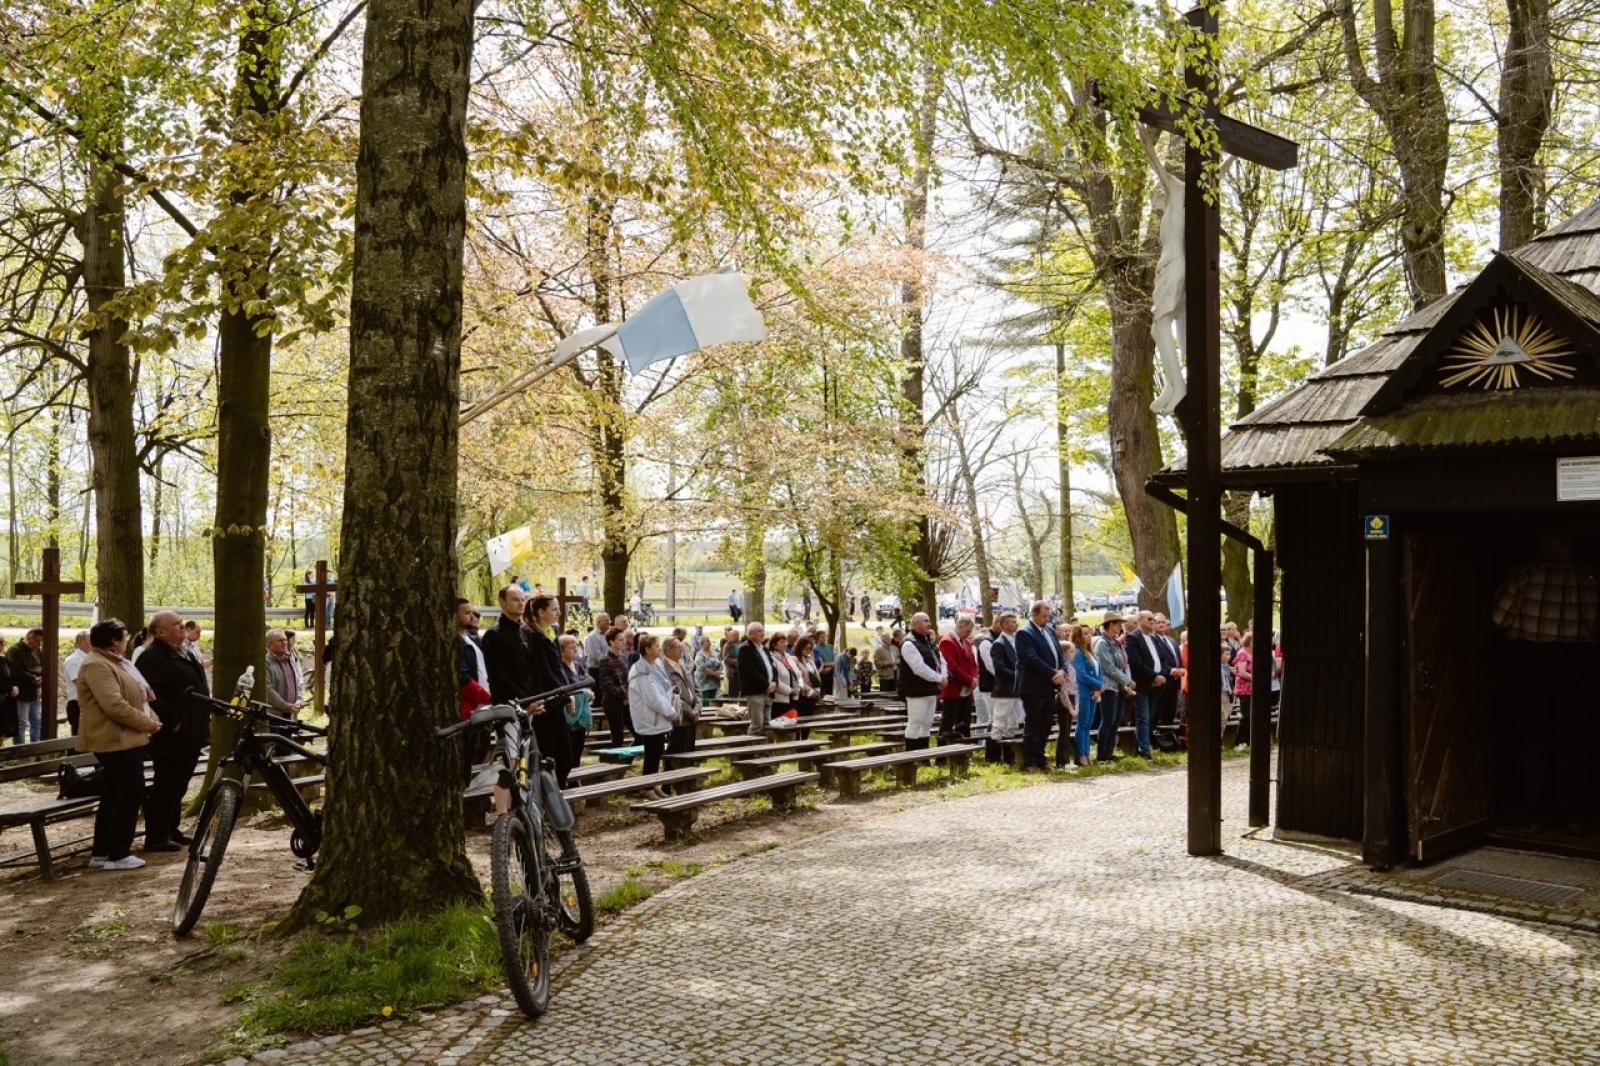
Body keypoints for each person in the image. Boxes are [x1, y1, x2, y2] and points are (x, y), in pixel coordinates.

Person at [77, 619, 162, 870]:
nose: (127, 640)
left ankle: (102, 851)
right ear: (114, 640)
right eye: (124, 636)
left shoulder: (113, 663)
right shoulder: (96, 665)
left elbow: (134, 697)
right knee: (132, 790)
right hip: (113, 739)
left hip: (124, 737)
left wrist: (151, 718)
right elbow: (114, 705)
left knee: (114, 793)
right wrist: (147, 723)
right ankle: (118, 853)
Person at [135, 611, 211, 852]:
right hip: (171, 733)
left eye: (181, 623)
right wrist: (172, 720)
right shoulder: (152, 657)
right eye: (176, 625)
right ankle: (156, 835)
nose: (181, 627)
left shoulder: (184, 651)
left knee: (181, 783)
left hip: (192, 728)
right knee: (166, 783)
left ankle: (172, 828)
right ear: (160, 632)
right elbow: (152, 694)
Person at [524, 594, 578, 786]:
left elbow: (558, 667)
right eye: (554, 609)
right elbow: (545, 672)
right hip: (544, 701)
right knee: (548, 751)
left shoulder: (552, 631)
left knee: (566, 755)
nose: (558, 613)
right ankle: (545, 795)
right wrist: (564, 696)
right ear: (540, 612)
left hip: (557, 697)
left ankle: (559, 788)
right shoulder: (532, 636)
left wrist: (567, 694)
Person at [1015, 601, 1067, 772]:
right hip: (1032, 686)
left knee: (1046, 724)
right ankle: (1030, 761)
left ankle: (1041, 758)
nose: (1047, 618)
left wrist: (1063, 670)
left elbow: (1060, 655)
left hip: (1049, 686)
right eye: (1044, 616)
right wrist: (1053, 673)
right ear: (1034, 614)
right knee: (1034, 724)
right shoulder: (1024, 633)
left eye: (1048, 615)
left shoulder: (1050, 631)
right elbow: (1031, 658)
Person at [627, 633, 678, 790]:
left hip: (660, 718)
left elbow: (664, 688)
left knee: (657, 753)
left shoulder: (656, 664)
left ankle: (653, 786)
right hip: (650, 719)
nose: (659, 649)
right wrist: (671, 713)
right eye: (656, 646)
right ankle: (647, 788)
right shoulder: (641, 670)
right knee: (652, 755)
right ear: (647, 649)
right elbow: (653, 699)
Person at [898, 613, 947, 751]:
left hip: (931, 689)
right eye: (925, 621)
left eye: (929, 620)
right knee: (915, 722)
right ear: (915, 624)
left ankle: (923, 757)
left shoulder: (929, 642)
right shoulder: (908, 643)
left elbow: (941, 660)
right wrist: (939, 678)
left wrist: (943, 676)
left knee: (927, 724)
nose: (929, 624)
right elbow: (919, 668)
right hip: (916, 690)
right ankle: (911, 757)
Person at [1124, 611, 1167, 760]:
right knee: (1143, 717)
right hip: (1142, 684)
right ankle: (1144, 750)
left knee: (1151, 718)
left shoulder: (1154, 639)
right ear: (1139, 620)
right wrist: (1154, 676)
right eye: (1150, 619)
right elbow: (1135, 662)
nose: (1153, 621)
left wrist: (1162, 675)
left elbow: (1163, 659)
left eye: (1154, 619)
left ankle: (1142, 747)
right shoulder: (1133, 637)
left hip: (1156, 685)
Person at [1094, 613, 1134, 762]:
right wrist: (1127, 681)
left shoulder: (1118, 643)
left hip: (1120, 687)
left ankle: (1109, 752)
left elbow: (1125, 663)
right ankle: (1102, 755)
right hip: (1109, 687)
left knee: (1116, 720)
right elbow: (1109, 667)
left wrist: (1127, 681)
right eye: (1118, 624)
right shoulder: (1102, 644)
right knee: (1108, 720)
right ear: (1110, 625)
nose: (1120, 626)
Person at [987, 612, 1023, 761]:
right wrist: (1018, 675)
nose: (1016, 624)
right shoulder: (999, 644)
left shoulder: (1015, 641)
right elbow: (999, 668)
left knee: (1013, 723)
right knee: (999, 721)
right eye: (1012, 622)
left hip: (1016, 689)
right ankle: (994, 757)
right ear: (1003, 625)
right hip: (1005, 689)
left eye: (1016, 621)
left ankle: (1009, 757)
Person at [1069, 624, 1105, 768]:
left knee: (1089, 724)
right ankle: (1081, 755)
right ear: (1078, 636)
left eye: (1089, 633)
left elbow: (1099, 671)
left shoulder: (1090, 652)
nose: (1089, 636)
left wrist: (1099, 686)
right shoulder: (1077, 653)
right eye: (1085, 633)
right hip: (1083, 692)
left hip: (1093, 692)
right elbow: (1081, 675)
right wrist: (1098, 684)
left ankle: (1087, 752)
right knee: (1082, 724)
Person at [937, 617, 978, 743]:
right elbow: (951, 666)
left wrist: (975, 678)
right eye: (967, 631)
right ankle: (942, 756)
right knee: (948, 723)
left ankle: (964, 751)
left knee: (964, 722)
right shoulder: (947, 641)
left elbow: (973, 663)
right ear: (959, 627)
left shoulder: (966, 642)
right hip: (954, 689)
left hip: (967, 689)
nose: (969, 634)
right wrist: (969, 680)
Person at [591, 627, 632, 748]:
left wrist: (629, 695)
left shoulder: (623, 657)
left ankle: (626, 758)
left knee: (637, 732)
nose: (624, 641)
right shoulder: (605, 660)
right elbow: (606, 685)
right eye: (620, 640)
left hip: (626, 700)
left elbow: (627, 679)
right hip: (612, 702)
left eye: (624, 639)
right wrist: (624, 695)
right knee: (618, 736)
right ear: (611, 642)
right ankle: (613, 761)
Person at [662, 637, 700, 762]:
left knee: (689, 753)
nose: (682, 650)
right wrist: (689, 710)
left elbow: (696, 689)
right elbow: (671, 694)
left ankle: (688, 780)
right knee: (676, 754)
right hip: (679, 717)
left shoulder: (681, 665)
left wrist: (698, 708)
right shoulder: (664, 669)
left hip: (692, 717)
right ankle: (668, 781)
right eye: (678, 647)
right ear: (669, 650)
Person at [558, 634, 592, 765]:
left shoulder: (578, 665)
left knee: (578, 748)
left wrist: (589, 692)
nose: (575, 650)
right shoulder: (559, 667)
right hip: (569, 713)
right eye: (571, 648)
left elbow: (586, 682)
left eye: (576, 647)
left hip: (582, 713)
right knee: (569, 751)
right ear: (562, 650)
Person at [737, 622, 776, 735]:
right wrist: (766, 685)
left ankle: (764, 750)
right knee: (757, 724)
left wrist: (774, 682)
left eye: (762, 630)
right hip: (755, 692)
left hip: (768, 692)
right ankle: (751, 751)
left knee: (766, 724)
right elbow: (750, 672)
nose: (762, 633)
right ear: (750, 634)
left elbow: (772, 667)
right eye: (759, 631)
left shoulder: (764, 649)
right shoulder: (745, 649)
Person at [6, 629, 45, 744]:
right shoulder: (14, 650)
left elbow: (42, 665)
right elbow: (16, 670)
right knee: (21, 723)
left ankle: (36, 746)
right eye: (37, 641)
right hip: (21, 692)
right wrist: (33, 679)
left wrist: (41, 677)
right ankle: (20, 751)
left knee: (37, 721)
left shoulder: (37, 650)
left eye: (40, 642)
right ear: (29, 637)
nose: (38, 644)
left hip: (34, 692)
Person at [263, 629, 303, 722]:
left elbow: (299, 682)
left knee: (288, 737)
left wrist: (299, 701)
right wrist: (284, 706)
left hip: (292, 714)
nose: (284, 643)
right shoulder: (266, 662)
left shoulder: (291, 659)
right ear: (269, 645)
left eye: (285, 640)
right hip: (274, 715)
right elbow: (267, 688)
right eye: (280, 640)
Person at [62, 630, 91, 736]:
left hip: (90, 703)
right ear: (82, 642)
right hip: (77, 704)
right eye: (90, 639)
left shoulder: (91, 658)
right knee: (78, 738)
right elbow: (79, 682)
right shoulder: (73, 660)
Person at [1232, 631, 1255, 752]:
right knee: (1245, 716)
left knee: (1251, 716)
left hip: (1252, 689)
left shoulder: (1252, 653)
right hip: (1244, 690)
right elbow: (1241, 672)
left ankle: (1248, 742)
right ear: (1250, 641)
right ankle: (1239, 743)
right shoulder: (1242, 653)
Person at [768, 632, 797, 719]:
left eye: (785, 641)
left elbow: (796, 674)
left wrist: (797, 687)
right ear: (774, 645)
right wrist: (790, 691)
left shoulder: (787, 657)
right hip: (779, 699)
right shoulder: (771, 658)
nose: (784, 644)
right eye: (781, 642)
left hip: (792, 697)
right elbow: (775, 680)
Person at [791, 635, 821, 718]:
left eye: (810, 648)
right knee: (802, 717)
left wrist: (816, 690)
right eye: (807, 648)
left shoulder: (810, 659)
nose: (809, 650)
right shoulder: (794, 659)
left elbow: (815, 674)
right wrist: (809, 690)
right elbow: (798, 678)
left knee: (809, 717)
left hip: (814, 693)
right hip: (802, 694)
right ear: (800, 648)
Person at [693, 635, 723, 706]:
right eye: (707, 641)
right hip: (705, 683)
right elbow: (703, 668)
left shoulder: (714, 652)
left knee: (715, 701)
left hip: (715, 681)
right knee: (706, 702)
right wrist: (716, 674)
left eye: (709, 641)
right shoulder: (699, 655)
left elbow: (720, 663)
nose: (709, 643)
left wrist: (719, 671)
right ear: (702, 644)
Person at [0, 638, 15, 743]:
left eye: (1, 643)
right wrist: (10, 688)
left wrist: (15, 686)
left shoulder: (3, 660)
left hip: (4, 704)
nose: (1, 646)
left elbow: (13, 676)